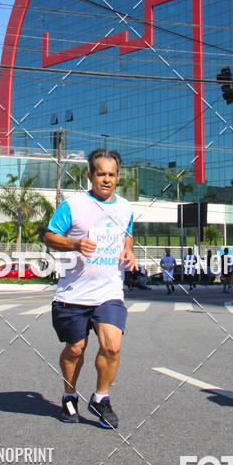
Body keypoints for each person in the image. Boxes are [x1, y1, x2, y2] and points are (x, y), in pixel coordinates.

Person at [44, 148, 136, 429]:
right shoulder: (73, 206)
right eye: (101, 174)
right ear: (90, 175)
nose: (106, 179)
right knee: (75, 349)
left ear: (117, 177)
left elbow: (128, 234)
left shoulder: (125, 208)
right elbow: (49, 236)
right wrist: (74, 243)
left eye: (111, 174)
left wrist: (129, 251)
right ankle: (69, 395)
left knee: (113, 345)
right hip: (74, 293)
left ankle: (100, 398)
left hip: (109, 292)